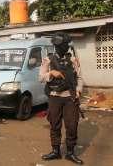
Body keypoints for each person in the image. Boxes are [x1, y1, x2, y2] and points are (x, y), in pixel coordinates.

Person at [39, 33, 84, 165]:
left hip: (70, 96)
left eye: (63, 45)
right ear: (55, 46)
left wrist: (78, 91)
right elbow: (40, 77)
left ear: (66, 46)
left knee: (72, 125)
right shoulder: (48, 59)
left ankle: (70, 152)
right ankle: (55, 151)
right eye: (58, 46)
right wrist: (51, 74)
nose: (60, 48)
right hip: (54, 97)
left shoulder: (73, 59)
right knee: (54, 124)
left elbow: (80, 78)